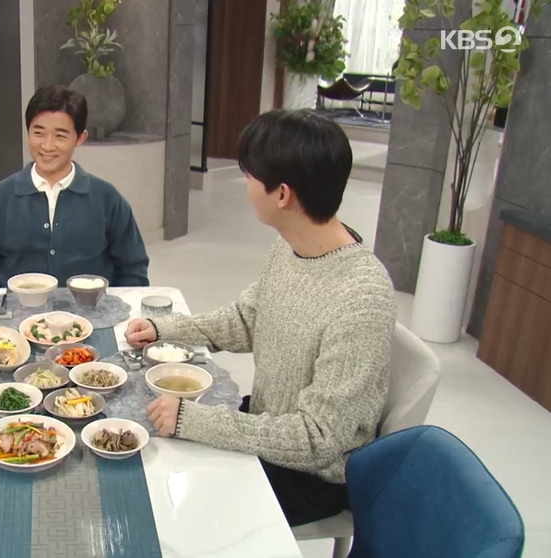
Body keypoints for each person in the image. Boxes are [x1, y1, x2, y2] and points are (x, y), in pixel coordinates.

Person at [126, 109, 396, 527]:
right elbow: (247, 320)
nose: (246, 186)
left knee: (172, 505)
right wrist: (165, 329)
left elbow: (319, 439)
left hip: (310, 475)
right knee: (152, 453)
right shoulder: (291, 247)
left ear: (282, 194)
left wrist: (196, 420)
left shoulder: (361, 299)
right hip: (266, 426)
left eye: (249, 175)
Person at [0, 85, 150, 288]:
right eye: (38, 133)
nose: (47, 146)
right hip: (14, 309)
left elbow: (133, 272)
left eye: (60, 136)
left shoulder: (107, 199)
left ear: (80, 138)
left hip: (90, 308)